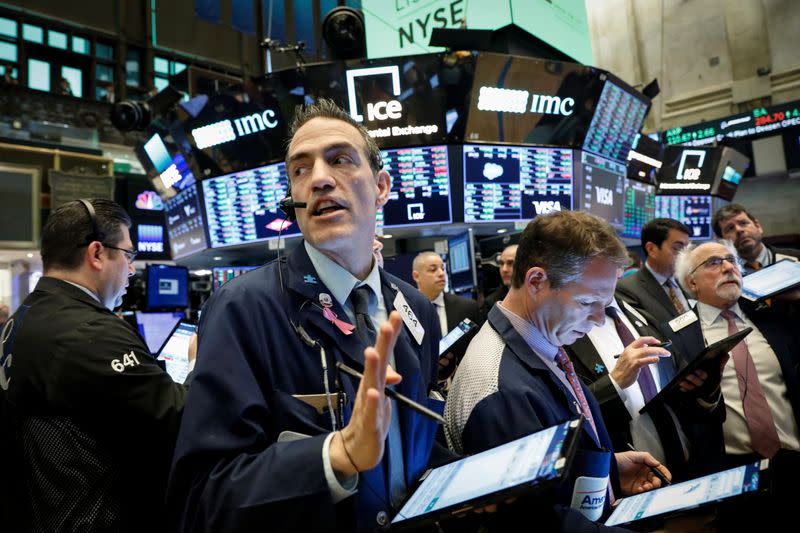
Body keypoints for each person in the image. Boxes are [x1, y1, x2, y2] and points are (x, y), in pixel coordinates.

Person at [168, 99, 445, 532]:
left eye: (339, 160)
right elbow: (202, 497)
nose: (318, 179)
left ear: (381, 186)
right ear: (293, 198)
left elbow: (412, 448)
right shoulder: (242, 309)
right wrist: (337, 457)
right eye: (300, 169)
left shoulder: (418, 310)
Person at [444, 211, 671, 532]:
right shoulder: (499, 389)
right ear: (536, 281)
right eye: (586, 302)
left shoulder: (538, 339)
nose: (597, 319)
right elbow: (534, 523)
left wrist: (605, 471)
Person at [0, 199, 191, 532]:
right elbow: (180, 418)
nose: (132, 269)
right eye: (129, 255)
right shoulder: (89, 331)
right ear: (97, 254)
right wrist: (195, 361)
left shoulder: (25, 316)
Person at [674, 240, 800, 530]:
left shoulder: (771, 317)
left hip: (792, 459)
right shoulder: (681, 334)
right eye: (714, 263)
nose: (729, 267)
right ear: (691, 282)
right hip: (732, 473)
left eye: (731, 260)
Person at [566, 291, 726, 482]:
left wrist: (708, 386)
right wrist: (615, 383)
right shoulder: (567, 331)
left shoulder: (640, 311)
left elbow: (682, 393)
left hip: (693, 467)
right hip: (633, 481)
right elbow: (573, 422)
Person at [412, 251, 479, 379]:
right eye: (433, 270)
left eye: (442, 268)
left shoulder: (467, 307)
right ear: (416, 276)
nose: (441, 274)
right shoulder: (404, 309)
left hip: (462, 383)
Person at [616, 218, 692, 327]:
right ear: (651, 249)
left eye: (686, 248)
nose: (685, 255)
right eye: (678, 248)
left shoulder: (689, 283)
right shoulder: (626, 289)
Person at [712, 203, 799, 274]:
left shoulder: (796, 259)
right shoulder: (723, 274)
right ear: (722, 241)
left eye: (743, 223)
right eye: (730, 228)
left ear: (758, 226)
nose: (739, 230)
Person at [481, 244, 517, 314]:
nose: (504, 269)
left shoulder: (538, 296)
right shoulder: (492, 302)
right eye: (501, 263)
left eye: (510, 263)